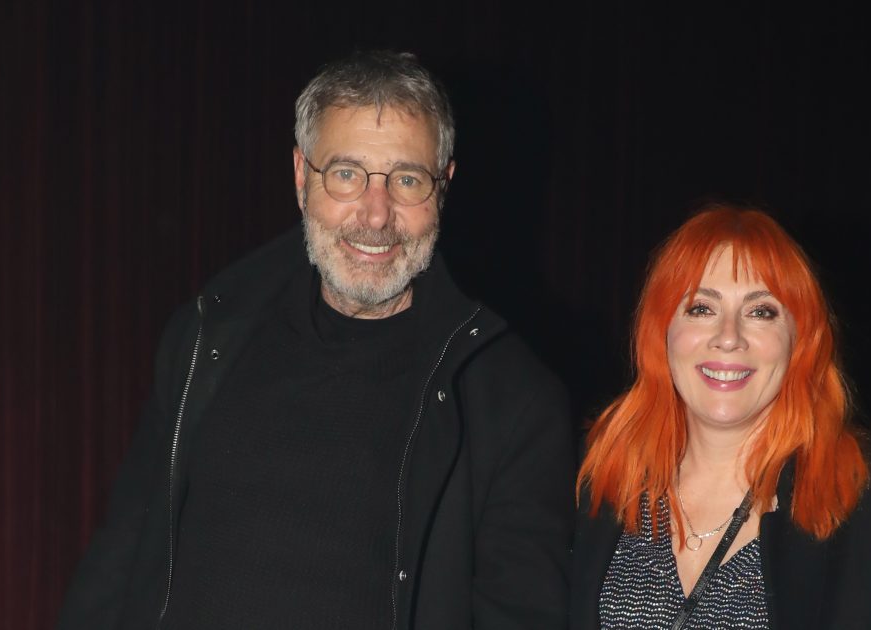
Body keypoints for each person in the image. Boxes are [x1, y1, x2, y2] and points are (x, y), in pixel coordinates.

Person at [57, 50, 574, 630]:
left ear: (444, 187)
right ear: (302, 176)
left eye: (407, 180)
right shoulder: (206, 338)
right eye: (347, 174)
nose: (375, 215)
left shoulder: (512, 403)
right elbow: (120, 560)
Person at [571, 205, 871, 629]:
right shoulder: (604, 468)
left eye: (761, 312)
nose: (729, 337)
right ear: (661, 330)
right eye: (702, 308)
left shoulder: (856, 486)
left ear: (800, 339)